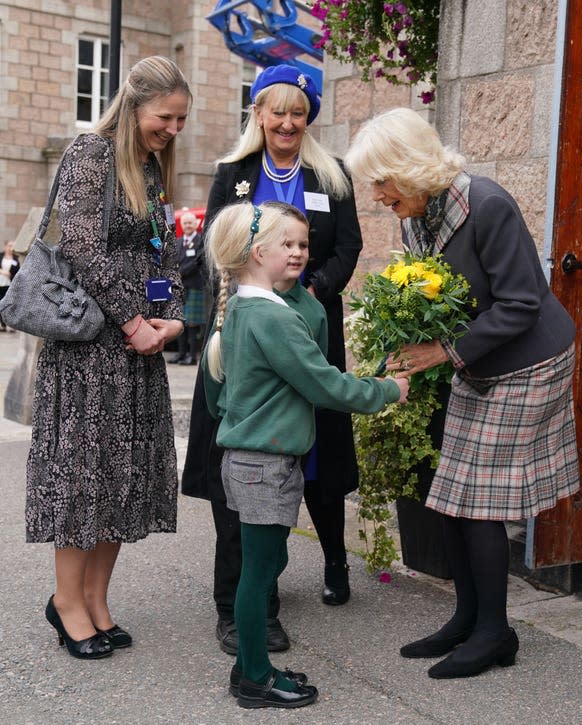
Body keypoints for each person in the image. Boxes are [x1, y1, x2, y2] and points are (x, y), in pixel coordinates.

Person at [344, 107, 580, 679]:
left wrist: (440, 353)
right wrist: (403, 337)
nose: (376, 195)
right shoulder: (415, 218)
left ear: (408, 167)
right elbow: (439, 297)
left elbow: (523, 303)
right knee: (449, 492)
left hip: (530, 361)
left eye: (381, 181)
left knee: (480, 501)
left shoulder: (488, 205)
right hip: (478, 360)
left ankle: (496, 633)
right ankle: (468, 617)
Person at [181, 64, 364, 655]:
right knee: (239, 460)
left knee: (316, 454)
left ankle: (331, 557)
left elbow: (350, 245)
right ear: (257, 113)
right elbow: (215, 243)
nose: (287, 122)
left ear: (309, 116)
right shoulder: (232, 173)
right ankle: (242, 604)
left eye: (299, 112)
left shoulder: (329, 175)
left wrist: (315, 290)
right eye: (276, 111)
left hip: (308, 329)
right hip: (242, 331)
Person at [202, 200, 409, 708]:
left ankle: (249, 665)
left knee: (265, 563)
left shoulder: (244, 312)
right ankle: (254, 677)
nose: (299, 255)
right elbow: (325, 385)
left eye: (303, 245)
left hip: (250, 463)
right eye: (288, 246)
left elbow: (215, 397)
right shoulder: (274, 320)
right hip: (266, 466)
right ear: (258, 253)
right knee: (258, 574)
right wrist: (387, 391)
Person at [25, 56, 190, 660]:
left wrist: (170, 313)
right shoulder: (89, 154)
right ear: (136, 104)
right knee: (82, 477)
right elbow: (82, 248)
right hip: (90, 348)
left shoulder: (150, 166)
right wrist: (131, 321)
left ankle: (95, 600)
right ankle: (66, 602)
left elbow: (166, 247)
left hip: (136, 346)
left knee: (121, 479)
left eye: (180, 120)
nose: (173, 129)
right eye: (165, 117)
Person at [170, 210, 206, 365]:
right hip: (180, 287)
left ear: (196, 223)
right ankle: (181, 353)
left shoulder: (200, 241)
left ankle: (192, 356)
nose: (188, 225)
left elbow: (198, 261)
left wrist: (181, 272)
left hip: (194, 285)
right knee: (179, 320)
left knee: (192, 323)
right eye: (185, 223)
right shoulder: (177, 242)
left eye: (190, 222)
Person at [0, 240, 20, 331]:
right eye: (9, 245)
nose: (10, 248)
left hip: (9, 285)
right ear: (5, 246)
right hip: (0, 283)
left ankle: (8, 324)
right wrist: (3, 272)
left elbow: (16, 272)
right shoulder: (0, 256)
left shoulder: (16, 259)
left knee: (7, 304)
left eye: (12, 246)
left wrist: (8, 274)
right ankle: (2, 324)